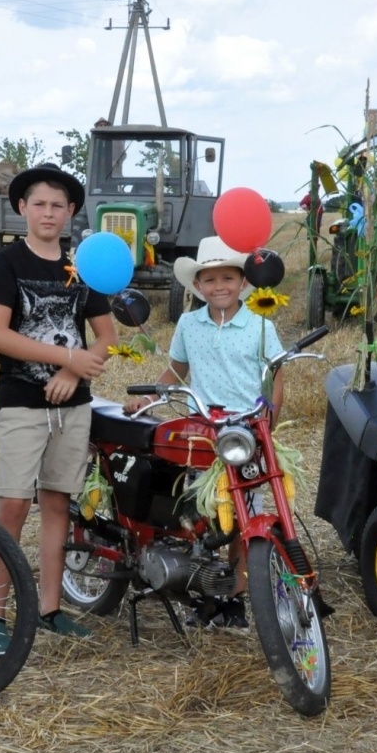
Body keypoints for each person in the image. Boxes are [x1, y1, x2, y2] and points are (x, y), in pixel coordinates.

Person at [0, 163, 115, 641]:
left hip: (72, 406)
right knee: (14, 507)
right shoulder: (9, 263)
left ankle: (50, 608)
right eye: (39, 203)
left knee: (58, 504)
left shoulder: (82, 267)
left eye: (58, 205)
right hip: (21, 402)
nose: (48, 212)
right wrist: (69, 356)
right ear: (22, 208)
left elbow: (106, 336)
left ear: (72, 212)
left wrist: (71, 369)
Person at [126, 237, 286, 628]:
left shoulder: (261, 327)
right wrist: (148, 396)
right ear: (197, 286)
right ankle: (204, 588)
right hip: (203, 432)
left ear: (243, 283)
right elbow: (177, 370)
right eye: (210, 279)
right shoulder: (188, 323)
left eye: (228, 278)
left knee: (243, 516)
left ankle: (236, 598)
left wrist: (269, 419)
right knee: (204, 516)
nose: (219, 286)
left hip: (245, 431)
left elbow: (276, 377)